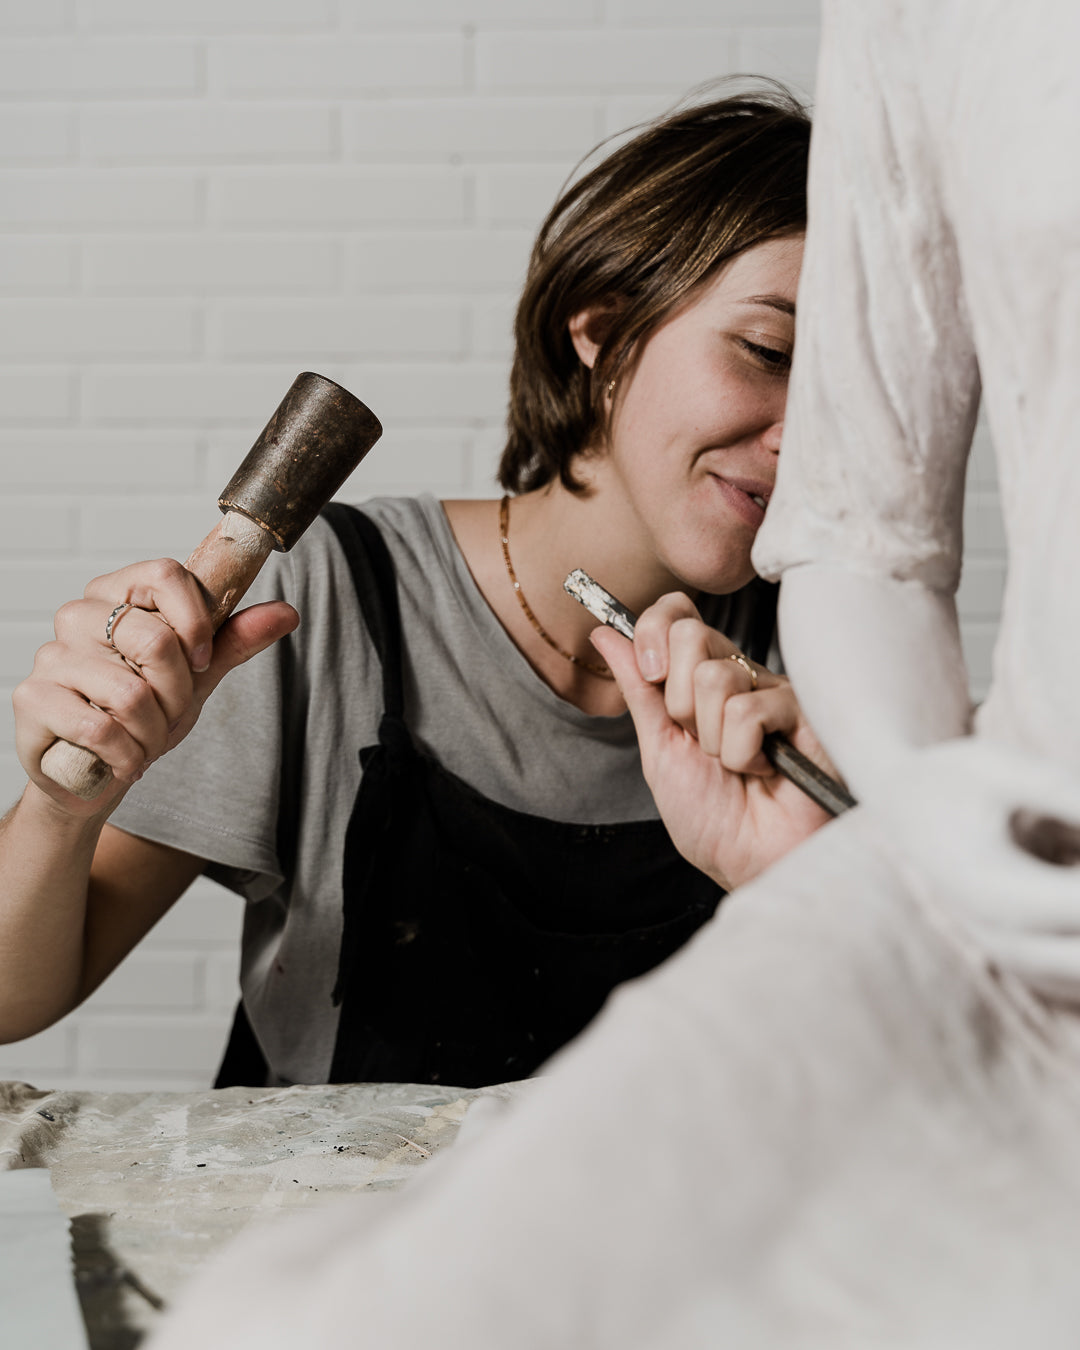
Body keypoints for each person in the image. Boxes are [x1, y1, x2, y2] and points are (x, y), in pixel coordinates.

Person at [1, 86, 834, 1090]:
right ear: (604, 330)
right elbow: (13, 1001)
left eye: (844, 393)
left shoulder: (824, 663)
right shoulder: (321, 599)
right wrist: (58, 803)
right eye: (769, 352)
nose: (806, 434)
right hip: (325, 1233)